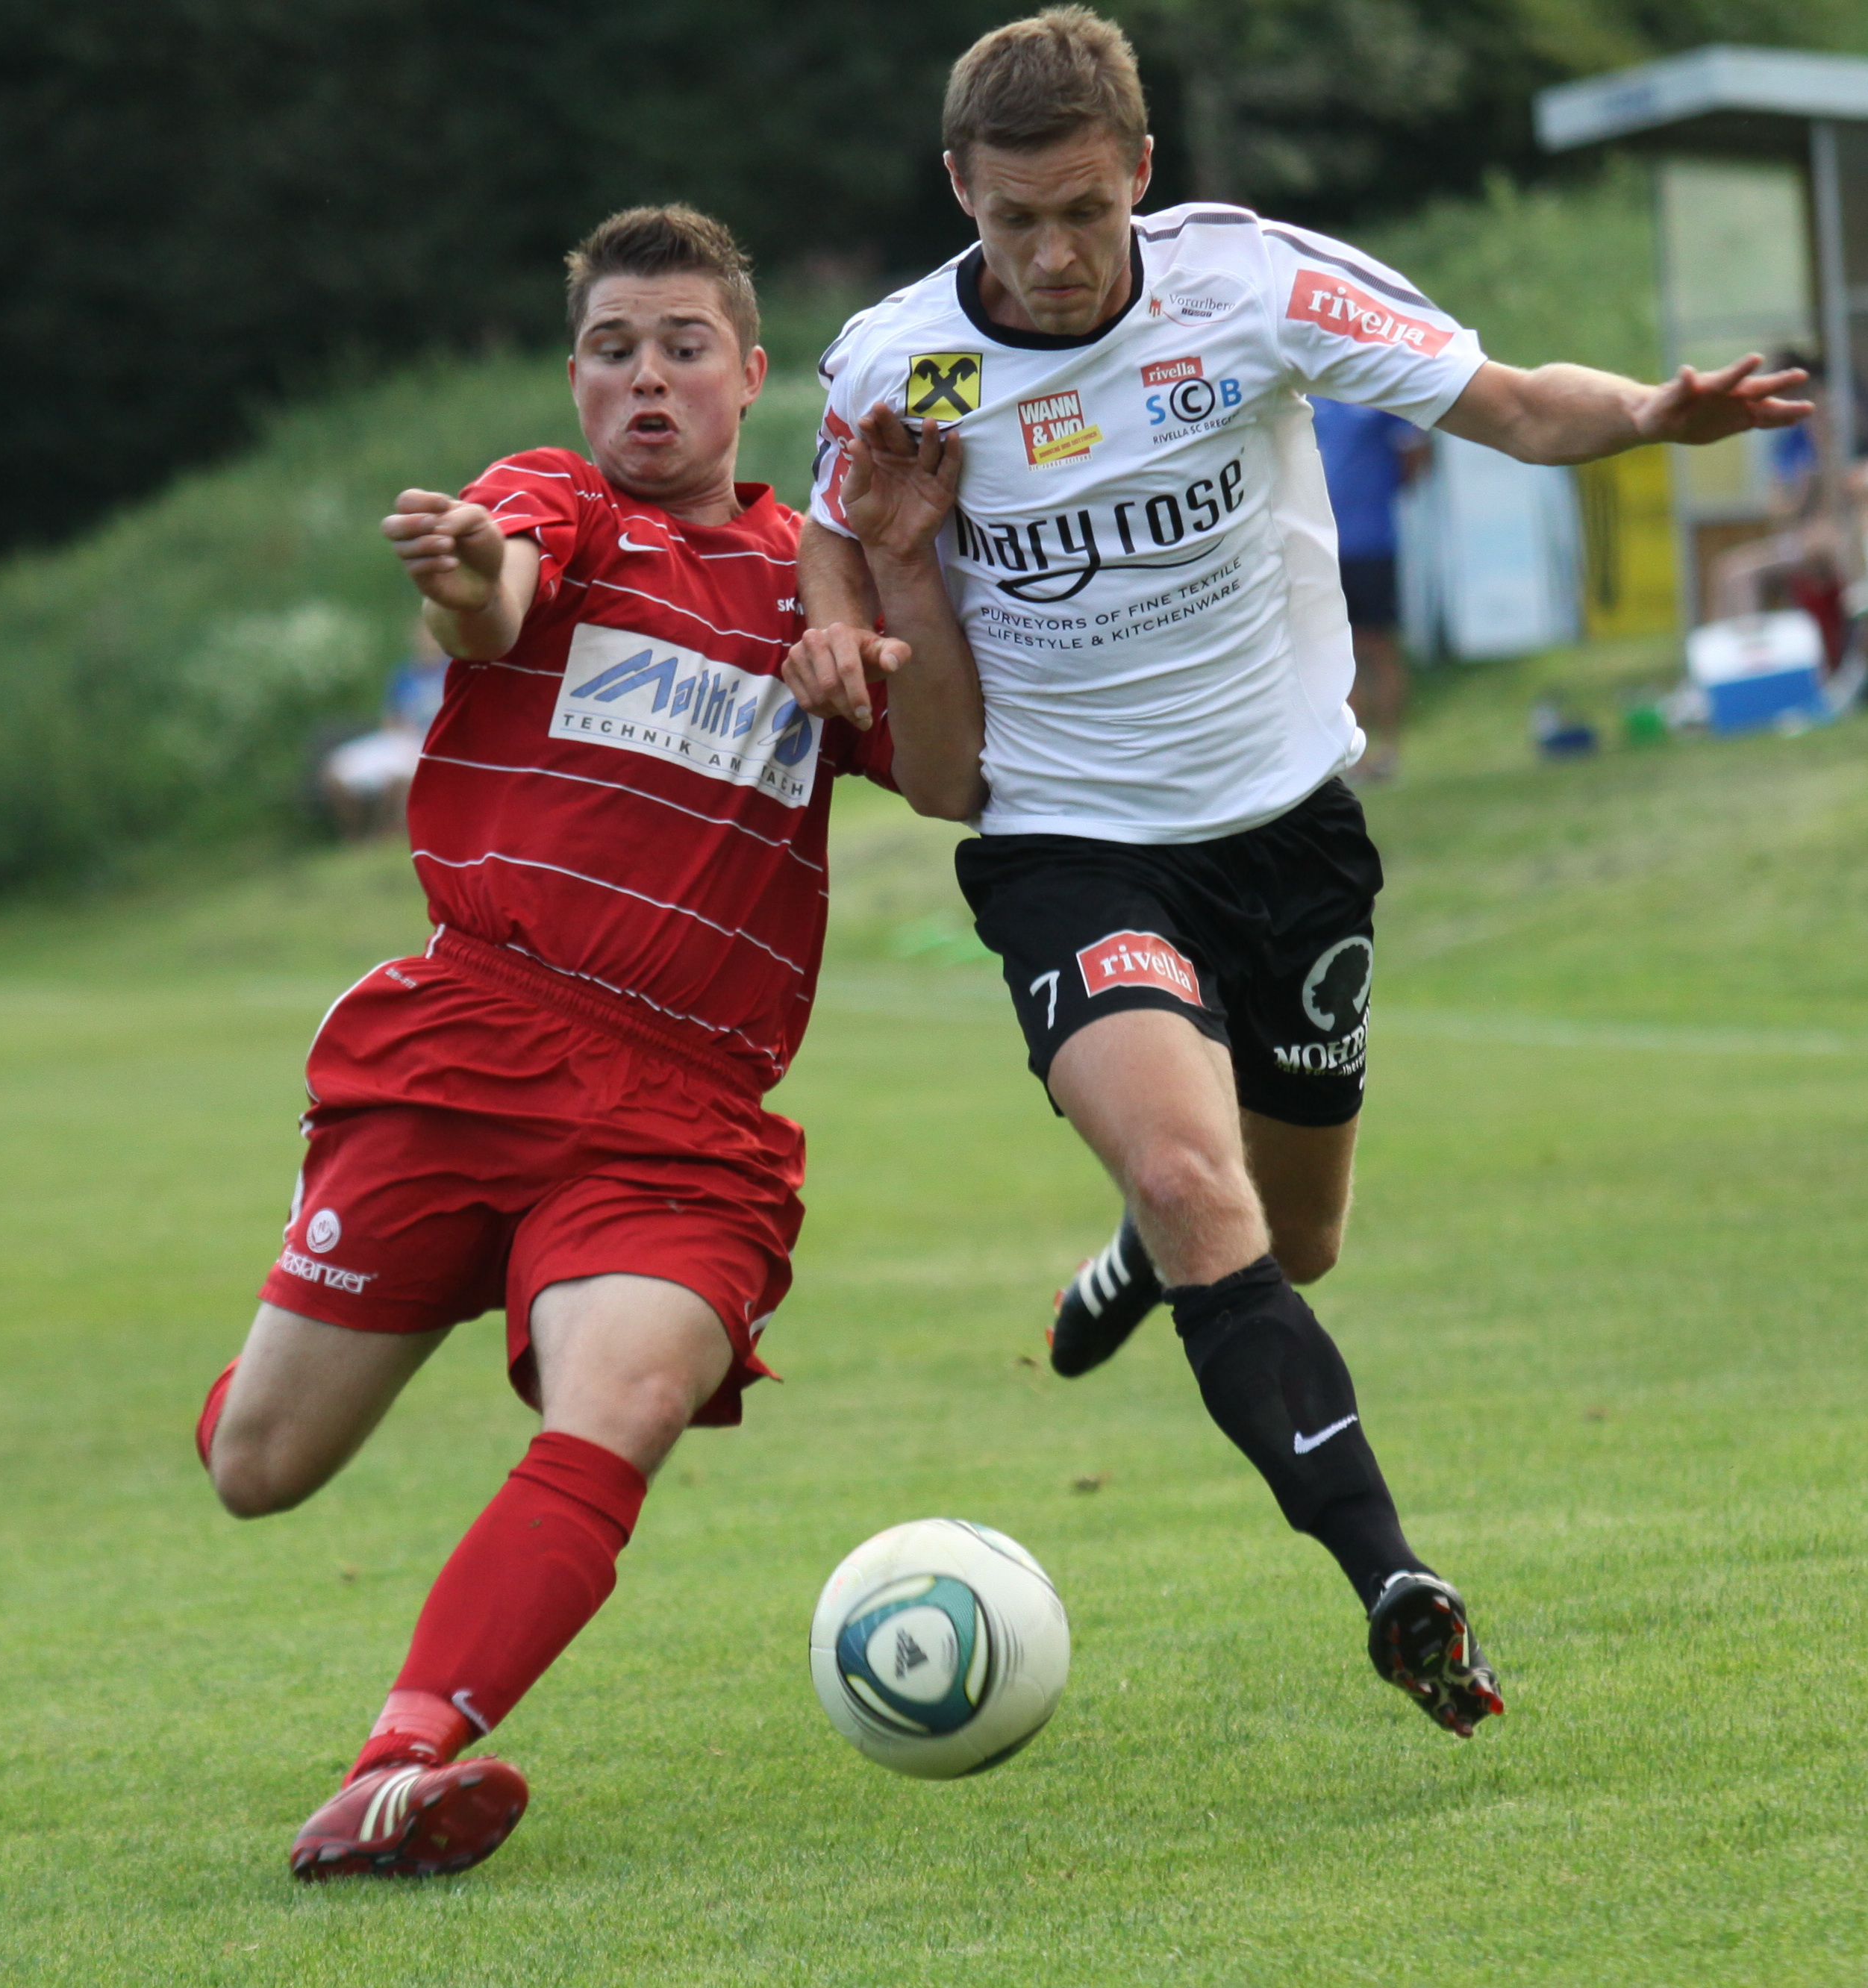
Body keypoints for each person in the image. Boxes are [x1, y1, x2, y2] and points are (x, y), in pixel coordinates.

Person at [786, 5, 1809, 1737]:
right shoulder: (904, 360)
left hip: (1287, 832)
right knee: (1202, 1185)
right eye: (1015, 218)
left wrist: (1648, 411)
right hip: (1068, 843)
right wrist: (834, 629)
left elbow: (1507, 403)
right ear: (960, 188)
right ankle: (1392, 1580)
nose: (1051, 256)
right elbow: (834, 524)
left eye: (1086, 211)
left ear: (1142, 174)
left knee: (1297, 1235)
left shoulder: (1249, 286)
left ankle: (1141, 1251)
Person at [194, 204, 981, 1881]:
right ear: (576, 379)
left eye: (683, 347)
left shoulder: (815, 573)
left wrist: (876, 633)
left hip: (684, 1110)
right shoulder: (561, 503)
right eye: (614, 349)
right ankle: (335, 1304)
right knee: (260, 1467)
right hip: (475, 1048)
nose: (647, 378)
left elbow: (947, 779)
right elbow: (496, 599)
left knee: (623, 1393)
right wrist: (465, 568)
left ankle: (396, 1767)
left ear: (750, 375)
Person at [1309, 398, 1425, 780]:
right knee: (1337, 650)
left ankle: (1388, 750)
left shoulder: (1377, 398)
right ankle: (1353, 755)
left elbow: (1417, 451)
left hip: (1372, 542)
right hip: (1322, 546)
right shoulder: (1311, 398)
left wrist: (1381, 491)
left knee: (1378, 645)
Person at [318, 619, 450, 837]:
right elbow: (391, 718)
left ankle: (385, 834)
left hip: (436, 742)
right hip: (401, 738)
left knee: (398, 779)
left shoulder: (452, 671)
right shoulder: (404, 675)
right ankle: (355, 837)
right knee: (336, 771)